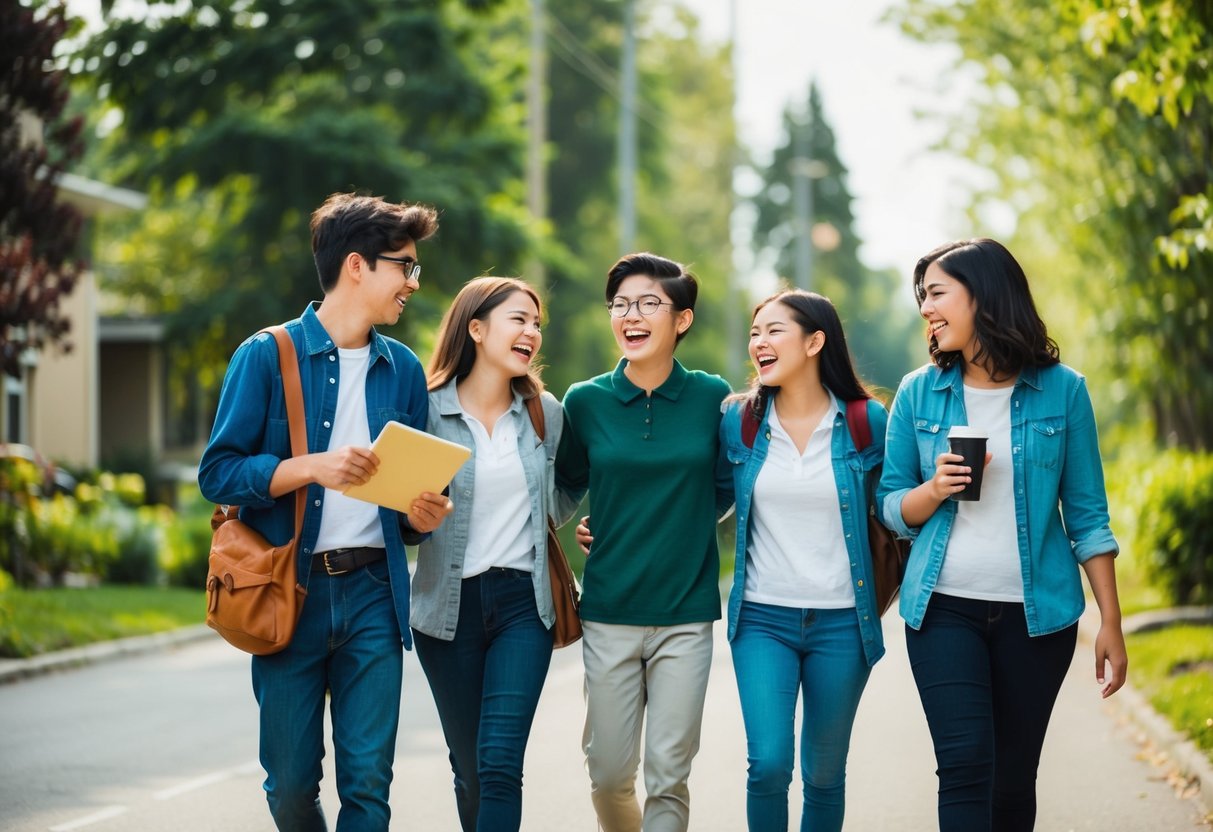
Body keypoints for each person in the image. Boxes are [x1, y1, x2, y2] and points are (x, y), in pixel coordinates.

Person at [198, 192, 453, 831]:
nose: (413, 284)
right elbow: (218, 473)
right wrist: (312, 466)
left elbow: (396, 508)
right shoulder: (266, 353)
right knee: (289, 786)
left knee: (368, 787)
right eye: (405, 267)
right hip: (289, 591)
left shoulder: (402, 370)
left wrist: (418, 516)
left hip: (373, 592)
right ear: (358, 266)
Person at [877, 238, 1128, 832]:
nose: (926, 309)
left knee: (1014, 780)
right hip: (942, 609)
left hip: (1037, 617)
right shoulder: (918, 392)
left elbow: (1088, 516)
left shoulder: (1064, 390)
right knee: (964, 767)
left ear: (983, 295)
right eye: (922, 297)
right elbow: (890, 506)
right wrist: (934, 489)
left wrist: (1111, 622)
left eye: (937, 293)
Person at [556, 252, 732, 832]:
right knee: (607, 772)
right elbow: (571, 483)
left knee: (668, 772)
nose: (631, 315)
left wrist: (678, 522)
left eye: (649, 303)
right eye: (621, 304)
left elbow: (725, 487)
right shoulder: (585, 401)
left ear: (681, 320)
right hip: (609, 610)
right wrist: (594, 521)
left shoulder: (713, 398)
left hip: (686, 614)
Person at [410, 276, 576, 832]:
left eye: (537, 324)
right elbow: (399, 511)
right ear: (476, 328)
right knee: (471, 770)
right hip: (445, 610)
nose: (531, 332)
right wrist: (414, 517)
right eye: (518, 320)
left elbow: (562, 491)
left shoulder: (542, 412)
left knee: (501, 764)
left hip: (522, 606)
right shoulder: (425, 409)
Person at [718, 289, 887, 831]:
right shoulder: (739, 422)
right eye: (754, 333)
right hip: (763, 618)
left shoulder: (866, 423)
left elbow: (895, 508)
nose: (758, 344)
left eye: (773, 331)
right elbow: (702, 499)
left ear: (815, 341)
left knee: (823, 774)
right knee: (768, 765)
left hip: (843, 621)